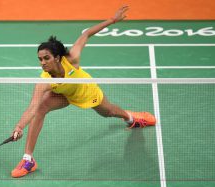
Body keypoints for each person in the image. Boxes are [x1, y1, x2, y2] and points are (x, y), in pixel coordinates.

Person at [10, 5, 156, 178]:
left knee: (108, 112)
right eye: (40, 59)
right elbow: (32, 107)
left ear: (57, 58)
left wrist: (112, 20)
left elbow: (85, 34)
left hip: (85, 90)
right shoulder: (44, 82)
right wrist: (19, 126)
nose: (42, 62)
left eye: (46, 58)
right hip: (62, 95)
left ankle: (131, 118)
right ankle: (28, 159)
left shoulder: (72, 59)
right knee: (41, 107)